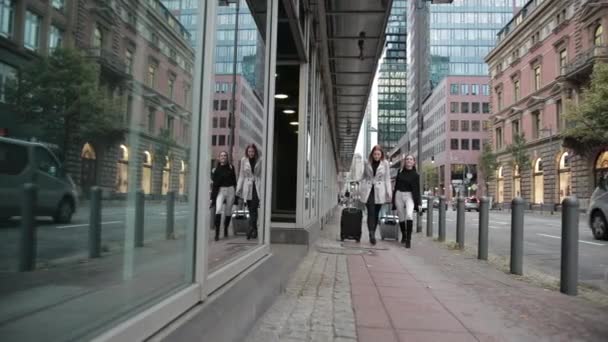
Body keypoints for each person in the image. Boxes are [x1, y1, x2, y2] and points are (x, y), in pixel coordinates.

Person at [359, 145, 392, 245]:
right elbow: (364, 175)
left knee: (376, 213)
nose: (376, 156)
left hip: (379, 190)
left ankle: (372, 231)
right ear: (372, 154)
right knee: (371, 212)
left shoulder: (385, 164)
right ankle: (371, 234)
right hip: (369, 190)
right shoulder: (367, 162)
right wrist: (360, 184)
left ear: (381, 155)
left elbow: (387, 178)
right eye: (375, 154)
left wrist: (389, 192)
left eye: (378, 154)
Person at [392, 154, 421, 248]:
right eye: (407, 159)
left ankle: (408, 239)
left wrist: (419, 203)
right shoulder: (400, 171)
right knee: (401, 215)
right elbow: (396, 186)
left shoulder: (416, 175)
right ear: (405, 161)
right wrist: (393, 198)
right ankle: (404, 235)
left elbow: (417, 189)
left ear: (413, 162)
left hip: (409, 196)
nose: (409, 161)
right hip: (399, 194)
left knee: (409, 214)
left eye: (411, 159)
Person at [236, 144, 262, 240]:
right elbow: (241, 175)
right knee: (251, 209)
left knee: (254, 207)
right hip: (248, 186)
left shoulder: (260, 160)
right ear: (247, 152)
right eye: (249, 151)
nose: (251, 153)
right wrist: (238, 189)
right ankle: (255, 230)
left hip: (257, 186)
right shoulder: (243, 160)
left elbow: (262, 174)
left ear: (255, 152)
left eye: (252, 151)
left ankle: (250, 228)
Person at [210, 151, 237, 241]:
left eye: (225, 156)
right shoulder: (215, 169)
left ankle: (225, 229)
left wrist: (236, 192)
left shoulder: (231, 167)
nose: (223, 157)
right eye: (221, 156)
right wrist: (212, 198)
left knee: (228, 211)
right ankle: (217, 233)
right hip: (220, 191)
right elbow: (214, 184)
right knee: (218, 210)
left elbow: (234, 180)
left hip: (230, 190)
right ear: (219, 158)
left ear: (227, 158)